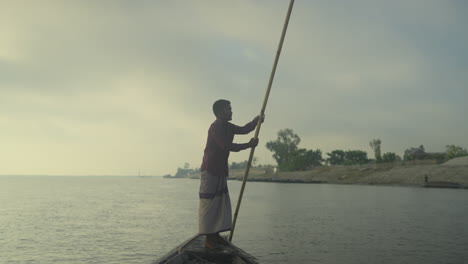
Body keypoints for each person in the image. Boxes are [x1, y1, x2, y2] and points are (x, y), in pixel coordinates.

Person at [199, 99, 264, 249]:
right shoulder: (215, 127)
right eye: (229, 109)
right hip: (210, 170)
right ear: (221, 112)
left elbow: (244, 129)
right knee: (210, 204)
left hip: (220, 170)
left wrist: (257, 121)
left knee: (220, 202)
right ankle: (209, 239)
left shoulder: (227, 126)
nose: (231, 111)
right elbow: (226, 146)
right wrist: (249, 145)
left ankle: (215, 236)